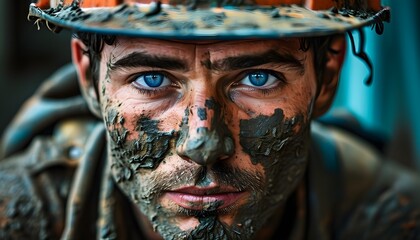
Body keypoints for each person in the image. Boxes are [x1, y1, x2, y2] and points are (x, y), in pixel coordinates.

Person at [0, 0, 419, 239]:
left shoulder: (393, 221)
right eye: (151, 79)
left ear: (327, 78)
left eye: (259, 78)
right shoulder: (21, 218)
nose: (202, 143)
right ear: (89, 80)